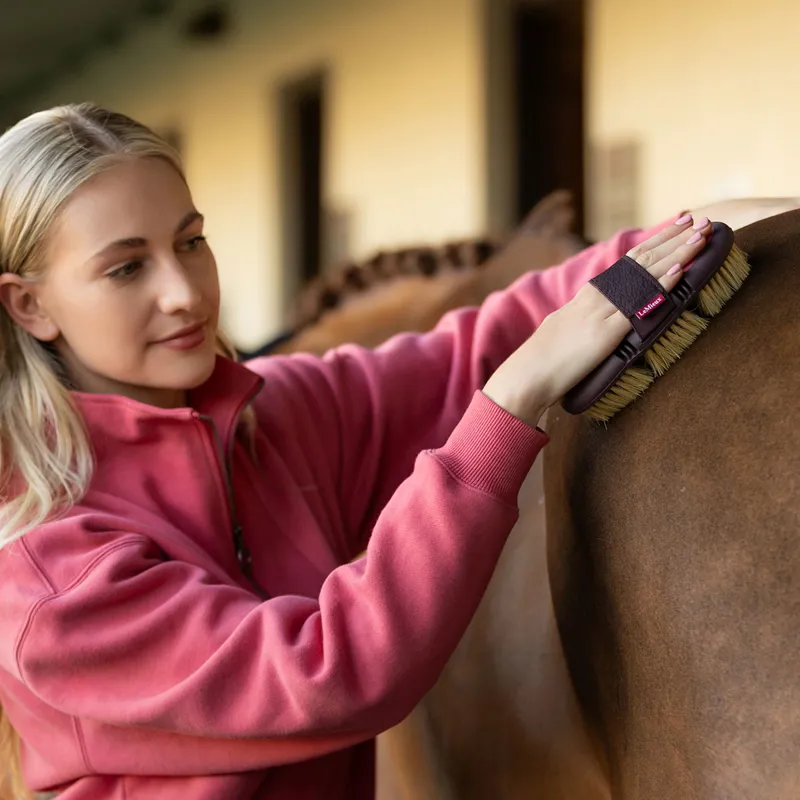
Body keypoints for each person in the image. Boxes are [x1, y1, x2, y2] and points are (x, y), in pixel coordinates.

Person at [0, 102, 732, 800]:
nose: (185, 293)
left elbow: (468, 352)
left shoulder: (269, 419)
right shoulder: (44, 566)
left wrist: (699, 233)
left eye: (191, 242)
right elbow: (332, 674)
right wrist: (510, 405)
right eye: (127, 268)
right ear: (28, 305)